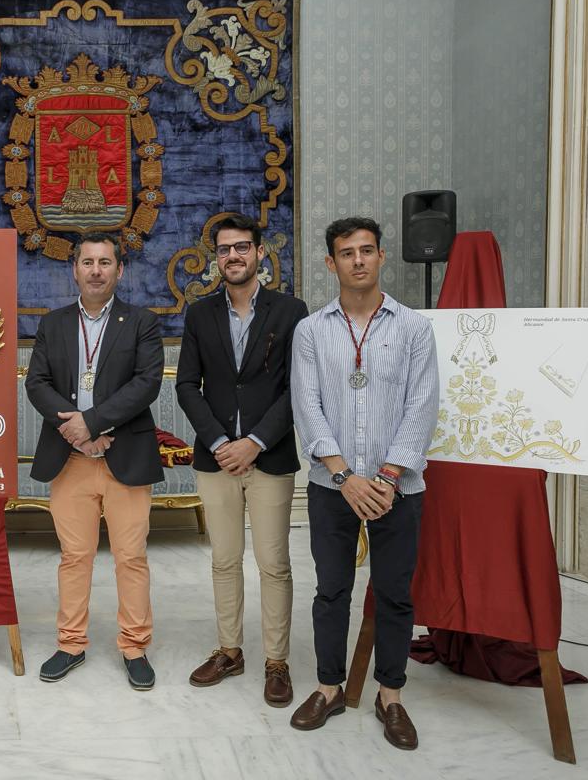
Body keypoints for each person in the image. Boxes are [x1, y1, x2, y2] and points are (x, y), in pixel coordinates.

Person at [290, 217, 438, 751]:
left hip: (399, 487)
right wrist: (346, 476)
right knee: (332, 591)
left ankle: (389, 696)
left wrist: (387, 477)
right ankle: (329, 688)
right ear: (331, 264)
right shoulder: (310, 330)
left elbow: (423, 406)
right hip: (333, 486)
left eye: (367, 250)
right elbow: (307, 407)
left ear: (380, 258)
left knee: (395, 594)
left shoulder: (414, 328)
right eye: (346, 253)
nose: (358, 260)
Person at [176, 213, 309, 708]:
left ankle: (277, 662)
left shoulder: (291, 312)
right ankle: (229, 652)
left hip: (269, 456)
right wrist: (217, 442)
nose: (234, 256)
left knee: (274, 563)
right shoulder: (199, 314)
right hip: (215, 460)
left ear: (259, 254)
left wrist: (254, 440)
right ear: (218, 259)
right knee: (224, 560)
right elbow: (187, 385)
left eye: (242, 247)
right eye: (225, 249)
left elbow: (299, 388)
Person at [25, 230, 165, 690]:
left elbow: (146, 384)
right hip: (70, 457)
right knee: (74, 556)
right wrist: (76, 432)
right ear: (75, 269)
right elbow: (37, 383)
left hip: (124, 453)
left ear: (119, 270)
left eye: (106, 262)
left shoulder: (141, 321)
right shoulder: (53, 323)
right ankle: (70, 644)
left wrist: (94, 423)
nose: (96, 270)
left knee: (131, 557)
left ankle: (135, 646)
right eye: (88, 262)